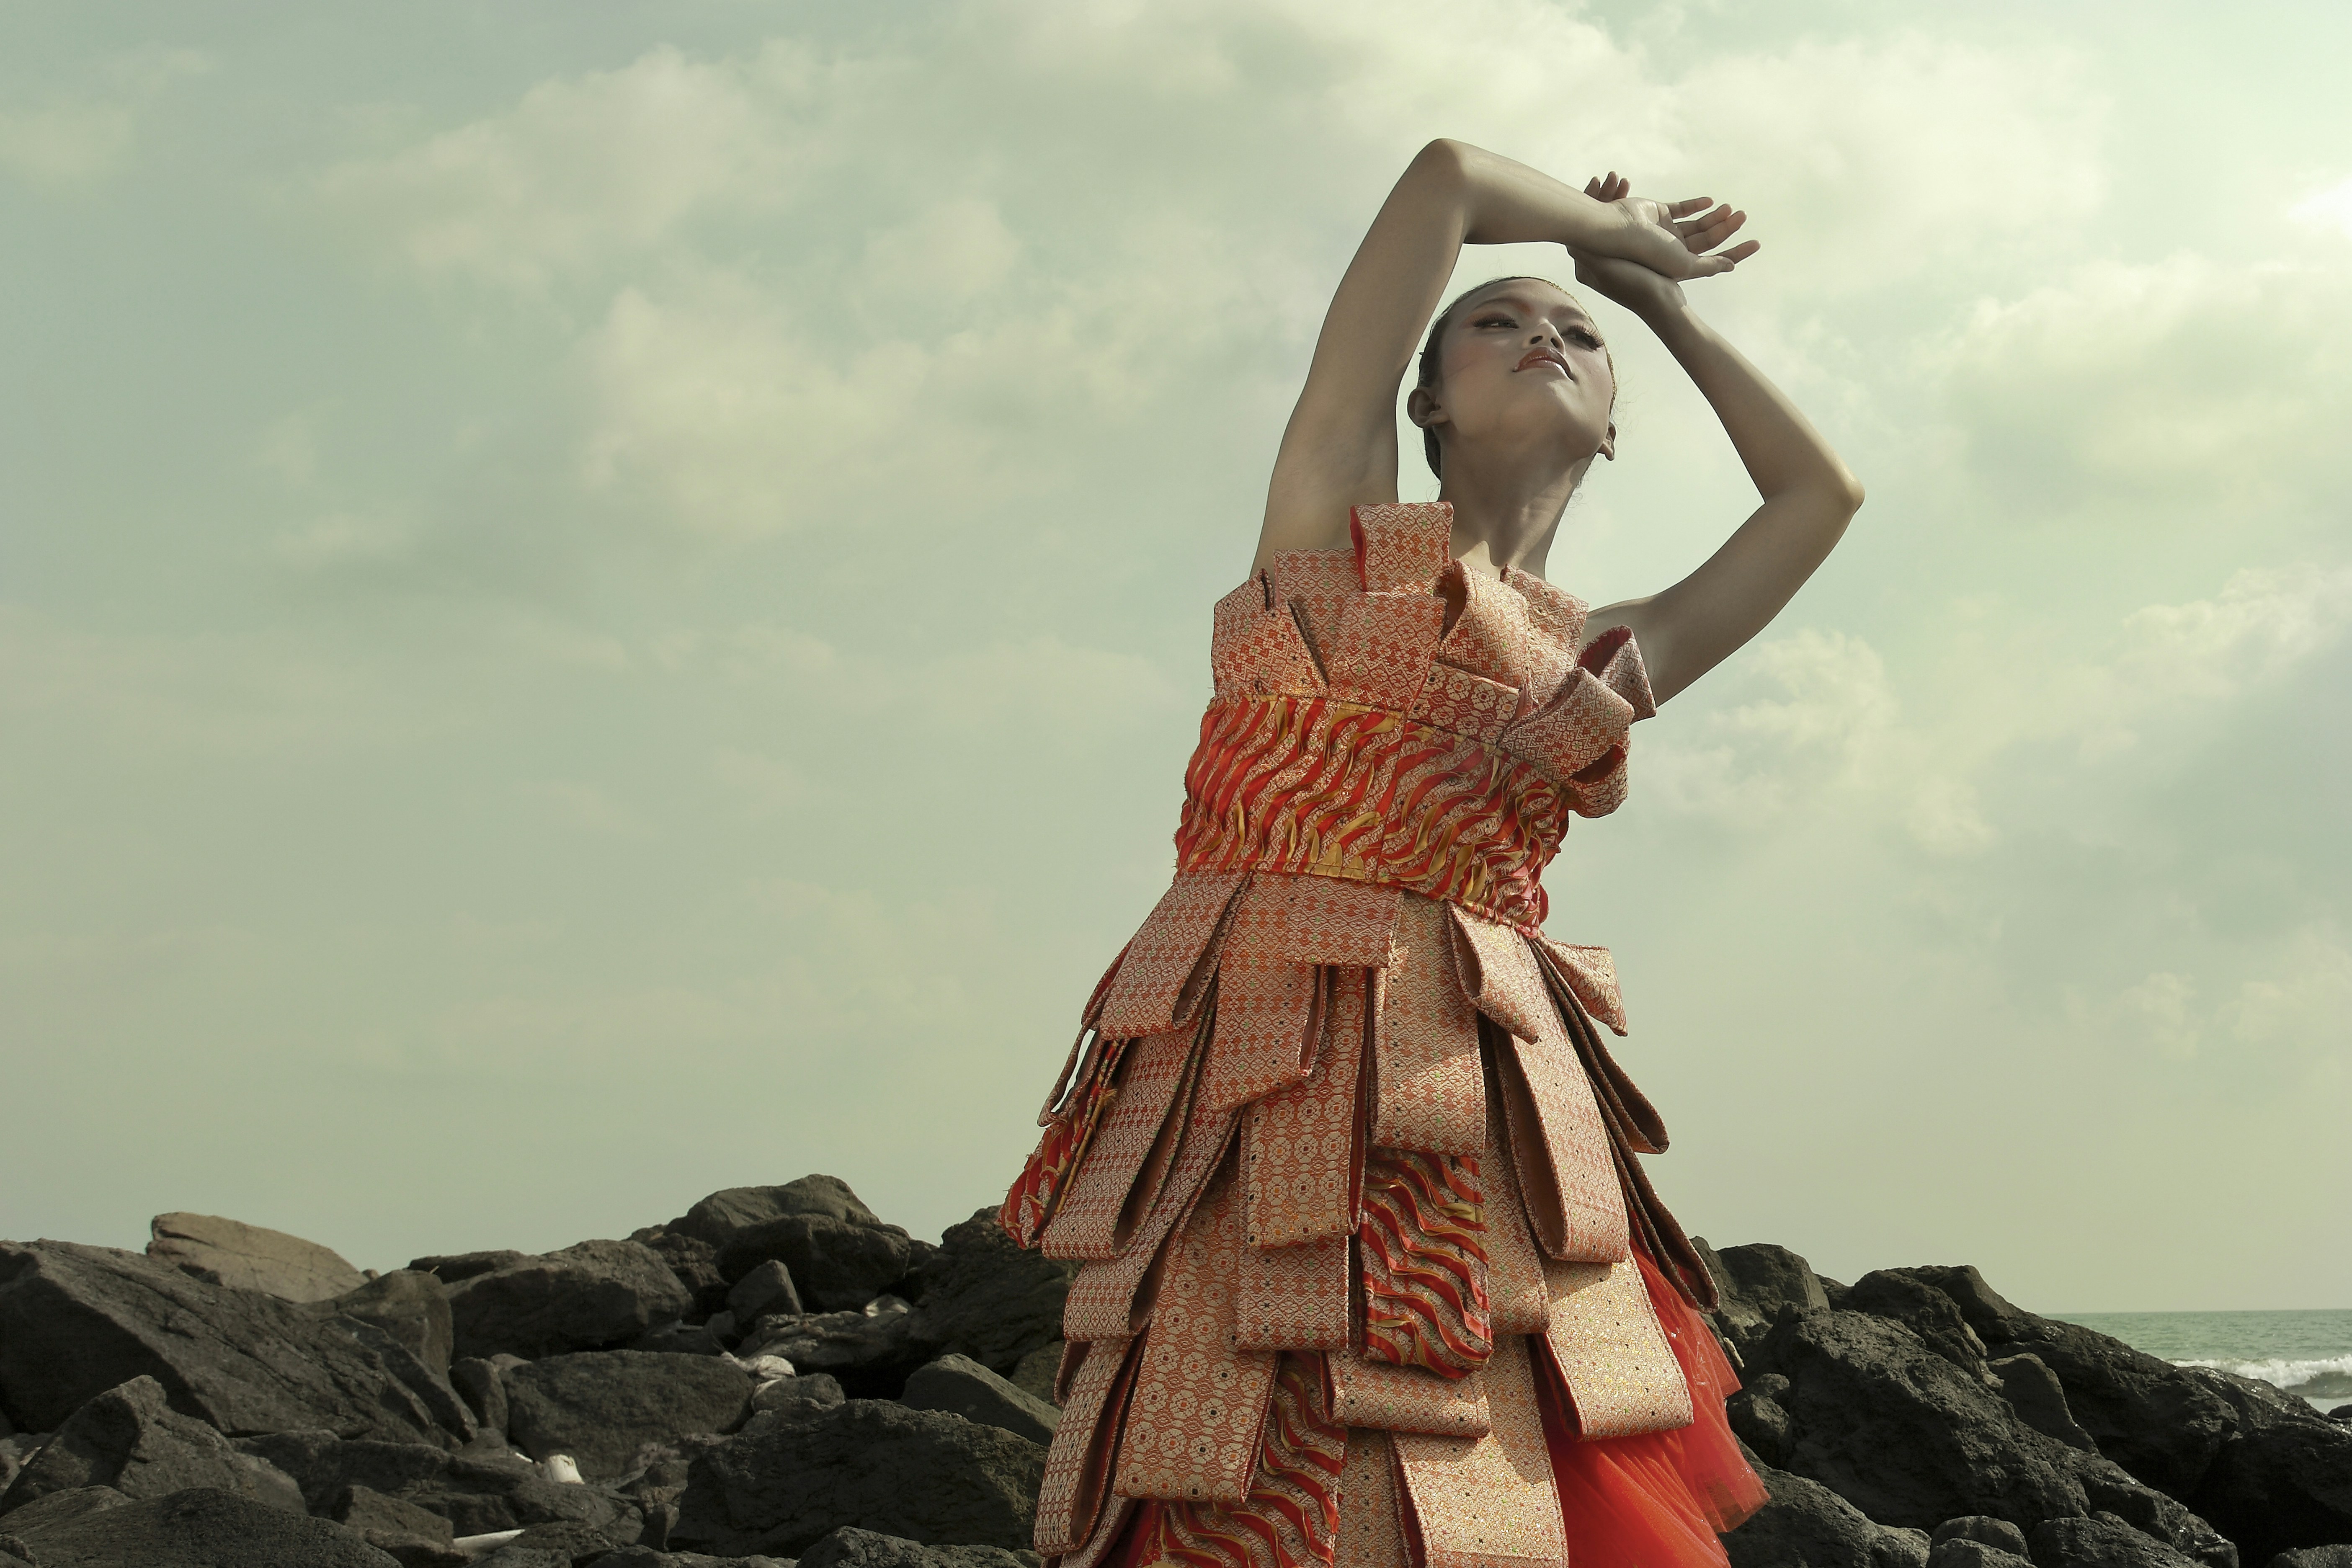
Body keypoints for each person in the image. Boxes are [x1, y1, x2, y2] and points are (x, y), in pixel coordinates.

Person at [998, 139, 1862, 1568]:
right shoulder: (1331, 531)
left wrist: (1660, 305)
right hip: (1256, 1058)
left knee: (1493, 1425)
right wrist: (1609, 225)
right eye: (1497, 320)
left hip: (1475, 1089)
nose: (1543, 335)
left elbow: (1816, 501)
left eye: (1574, 334)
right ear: (1427, 400)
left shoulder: (1603, 651)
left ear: (1609, 423)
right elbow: (1448, 177)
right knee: (1233, 1429)